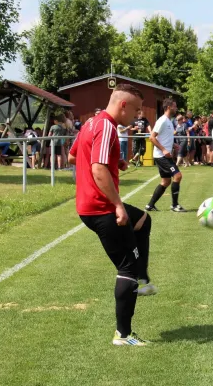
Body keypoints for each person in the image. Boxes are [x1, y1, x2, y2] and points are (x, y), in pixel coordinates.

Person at [68, 83, 157, 347]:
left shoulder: (90, 123)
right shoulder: (107, 126)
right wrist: (118, 205)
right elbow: (97, 170)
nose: (138, 115)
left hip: (89, 205)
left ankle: (142, 279)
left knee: (143, 219)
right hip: (101, 207)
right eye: (137, 110)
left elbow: (74, 158)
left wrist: (114, 160)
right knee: (126, 267)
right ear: (123, 105)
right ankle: (124, 334)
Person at [146, 98, 185, 212]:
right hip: (162, 156)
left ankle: (150, 205)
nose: (176, 108)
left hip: (164, 155)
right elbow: (152, 137)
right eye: (175, 106)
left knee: (165, 182)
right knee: (177, 176)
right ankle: (174, 205)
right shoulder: (162, 120)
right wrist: (163, 150)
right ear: (168, 107)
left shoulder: (169, 121)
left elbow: (163, 137)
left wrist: (173, 145)